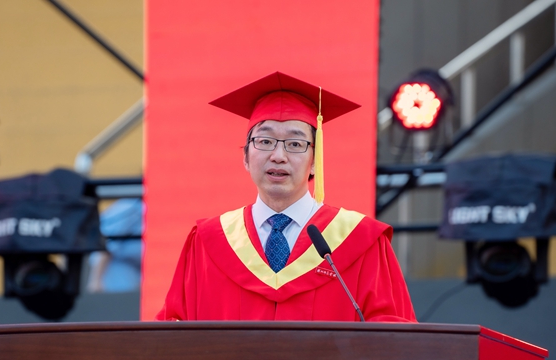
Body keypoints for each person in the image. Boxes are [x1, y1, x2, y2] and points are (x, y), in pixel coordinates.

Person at [156, 72, 416, 322]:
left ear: (315, 162)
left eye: (295, 144)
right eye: (265, 141)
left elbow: (393, 334)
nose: (278, 156)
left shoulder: (362, 242)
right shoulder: (207, 243)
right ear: (245, 157)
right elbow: (171, 331)